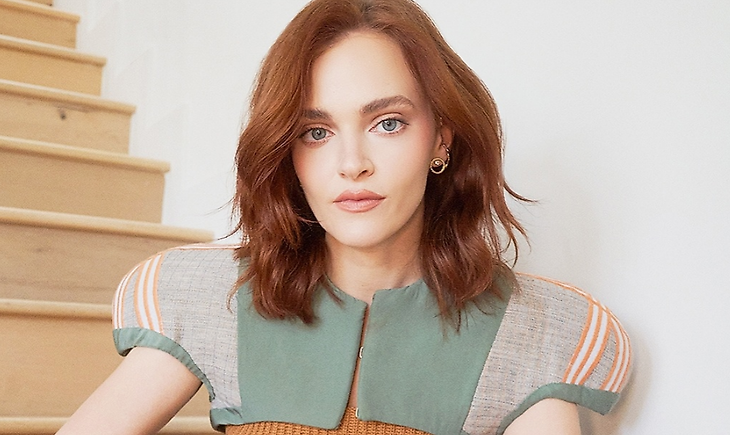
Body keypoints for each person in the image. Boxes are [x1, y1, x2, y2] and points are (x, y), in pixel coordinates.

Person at [57, 0, 632, 434]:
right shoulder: (213, 302)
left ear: (442, 138)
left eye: (388, 123)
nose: (352, 163)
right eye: (316, 131)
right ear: (287, 152)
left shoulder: (531, 335)